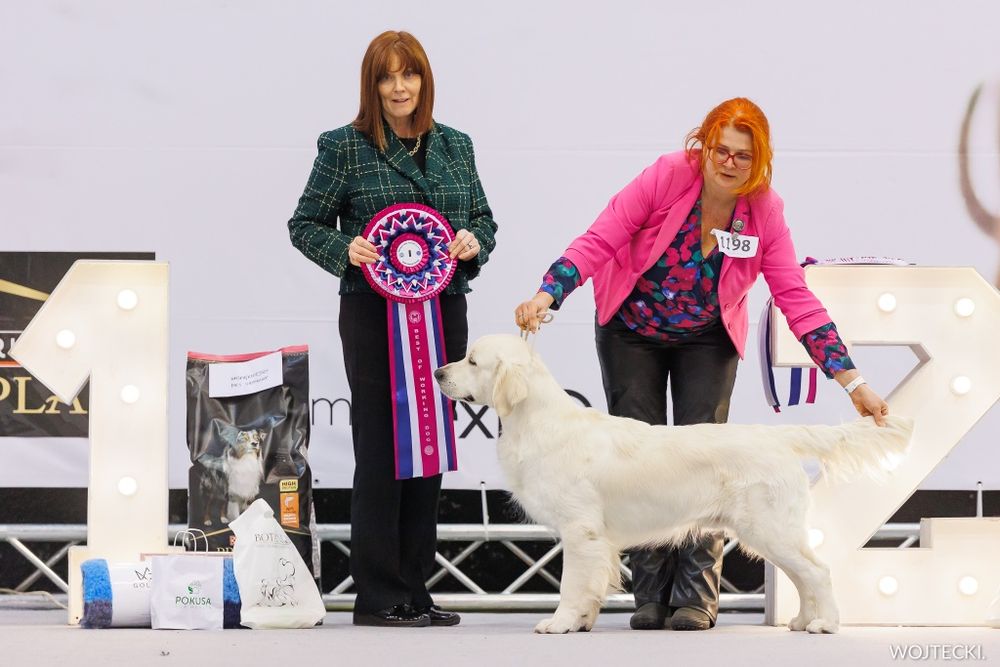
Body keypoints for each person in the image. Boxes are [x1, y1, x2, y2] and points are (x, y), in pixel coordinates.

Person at [513, 97, 889, 632]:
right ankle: (648, 597)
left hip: (707, 337)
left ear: (758, 161)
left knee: (710, 457)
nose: (729, 162)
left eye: (743, 155)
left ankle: (696, 597)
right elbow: (601, 238)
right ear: (703, 145)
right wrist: (549, 294)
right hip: (630, 329)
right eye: (721, 149)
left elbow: (795, 298)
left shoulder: (765, 211)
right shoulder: (667, 177)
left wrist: (853, 382)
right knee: (631, 462)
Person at [288, 30, 497, 628]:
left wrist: (472, 240)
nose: (399, 87)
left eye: (409, 75)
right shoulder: (344, 147)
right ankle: (378, 594)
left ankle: (416, 589)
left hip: (442, 307)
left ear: (425, 80)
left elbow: (483, 216)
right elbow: (304, 223)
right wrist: (343, 248)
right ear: (371, 84)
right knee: (381, 449)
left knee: (429, 447)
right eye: (387, 76)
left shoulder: (457, 145)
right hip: (373, 312)